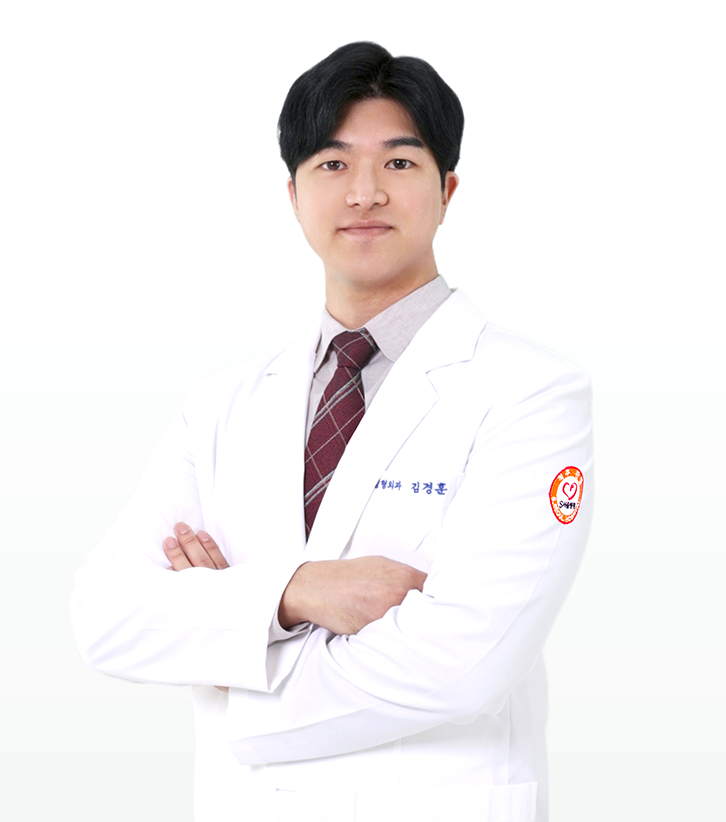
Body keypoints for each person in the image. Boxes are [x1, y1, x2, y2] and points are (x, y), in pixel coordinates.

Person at [71, 42, 593, 822]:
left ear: (447, 190)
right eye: (333, 164)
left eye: (400, 163)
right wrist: (294, 593)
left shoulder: (532, 393)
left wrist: (230, 662)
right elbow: (106, 619)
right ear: (293, 195)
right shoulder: (222, 406)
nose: (364, 192)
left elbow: (463, 663)